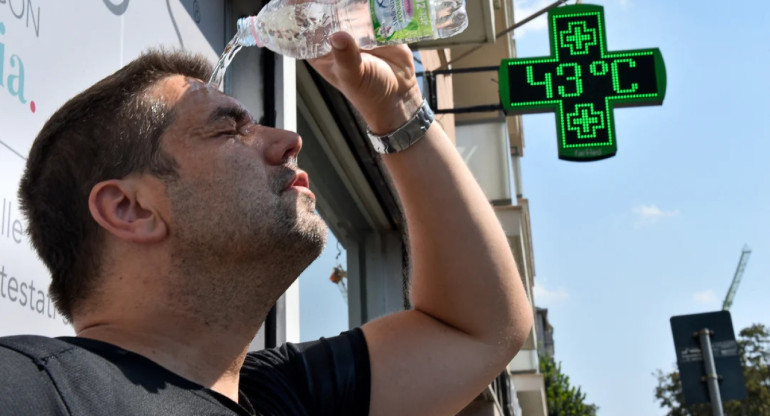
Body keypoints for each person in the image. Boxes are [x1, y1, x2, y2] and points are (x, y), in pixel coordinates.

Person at [1, 32, 533, 415]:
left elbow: (480, 328)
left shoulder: (281, 397)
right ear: (130, 209)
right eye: (229, 130)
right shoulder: (29, 388)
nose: (288, 141)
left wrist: (399, 109)